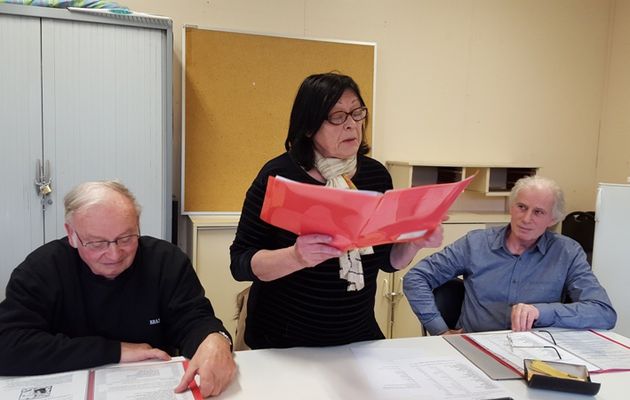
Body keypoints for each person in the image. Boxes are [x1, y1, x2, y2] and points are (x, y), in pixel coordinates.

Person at [230, 72, 444, 349]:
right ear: (308, 127)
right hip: (281, 341)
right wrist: (296, 257)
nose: (352, 125)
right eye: (337, 116)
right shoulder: (279, 176)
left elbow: (385, 261)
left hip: (355, 335)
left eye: (357, 113)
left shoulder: (375, 176)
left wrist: (415, 242)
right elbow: (240, 263)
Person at [0, 181, 236, 397]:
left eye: (126, 238)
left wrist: (216, 339)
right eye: (97, 243)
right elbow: (7, 345)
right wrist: (114, 351)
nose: (114, 254)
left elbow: (194, 319)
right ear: (71, 234)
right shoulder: (42, 268)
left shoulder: (166, 261)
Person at [403, 175, 617, 336]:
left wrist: (541, 312)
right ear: (511, 207)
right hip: (475, 348)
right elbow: (416, 277)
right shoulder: (476, 244)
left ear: (553, 218)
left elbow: (603, 313)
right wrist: (440, 330)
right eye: (521, 207)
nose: (526, 218)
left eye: (538, 212)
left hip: (535, 353)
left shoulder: (567, 252)